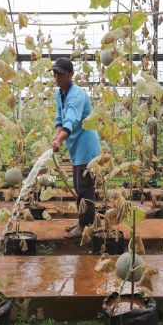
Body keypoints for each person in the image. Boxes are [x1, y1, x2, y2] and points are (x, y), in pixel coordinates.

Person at [50, 57, 101, 239]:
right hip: (76, 148)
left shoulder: (77, 95)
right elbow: (60, 119)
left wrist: (60, 139)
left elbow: (71, 121)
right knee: (79, 186)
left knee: (85, 189)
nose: (57, 77)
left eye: (61, 74)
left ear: (71, 75)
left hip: (87, 147)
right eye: (55, 74)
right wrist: (56, 137)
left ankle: (85, 226)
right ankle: (83, 222)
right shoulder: (59, 94)